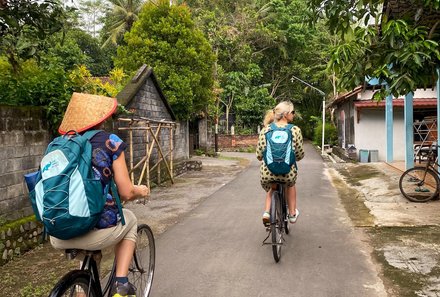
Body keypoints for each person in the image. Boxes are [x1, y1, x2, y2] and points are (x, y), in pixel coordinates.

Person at [50, 92, 149, 297]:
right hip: (96, 228)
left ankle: (81, 289)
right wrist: (141, 190)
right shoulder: (109, 141)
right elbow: (126, 192)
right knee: (129, 220)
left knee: (84, 225)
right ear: (102, 118)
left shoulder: (59, 144)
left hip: (58, 231)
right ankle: (121, 285)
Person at [256, 101, 304, 225]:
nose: (294, 114)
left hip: (268, 173)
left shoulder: (266, 130)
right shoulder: (295, 130)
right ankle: (292, 213)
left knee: (272, 186)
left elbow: (259, 154)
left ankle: (267, 212)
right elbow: (299, 153)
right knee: (291, 185)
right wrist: (296, 158)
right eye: (292, 112)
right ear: (286, 114)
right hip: (287, 173)